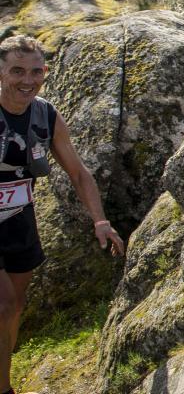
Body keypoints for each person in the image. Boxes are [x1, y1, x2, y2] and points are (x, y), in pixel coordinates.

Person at [0, 35, 125, 394]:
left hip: (19, 221)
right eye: (17, 71)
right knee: (4, 304)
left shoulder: (46, 114)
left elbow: (78, 173)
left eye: (36, 71)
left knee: (15, 306)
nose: (27, 80)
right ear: (1, 72)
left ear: (46, 72)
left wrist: (100, 220)